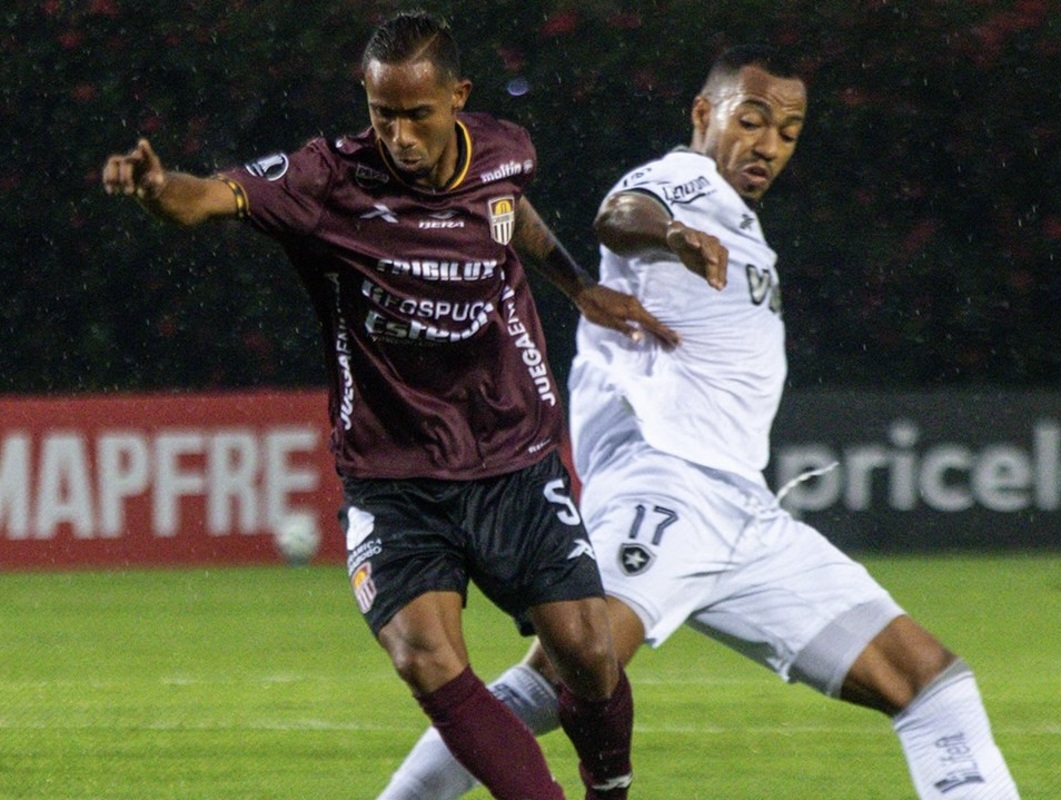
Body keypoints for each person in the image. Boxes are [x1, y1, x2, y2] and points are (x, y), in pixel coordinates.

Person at [379, 44, 1021, 800]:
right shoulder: (687, 181)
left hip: (744, 513)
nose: (768, 145)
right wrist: (674, 236)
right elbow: (620, 217)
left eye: (787, 132)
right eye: (751, 121)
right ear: (702, 113)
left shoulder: (745, 228)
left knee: (931, 684)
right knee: (564, 676)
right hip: (666, 482)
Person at [100, 11, 678, 800]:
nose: (400, 135)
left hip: (510, 450)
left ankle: (610, 788)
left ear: (458, 97)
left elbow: (509, 214)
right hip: (393, 468)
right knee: (424, 657)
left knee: (588, 654)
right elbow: (207, 198)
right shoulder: (326, 180)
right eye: (383, 115)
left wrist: (578, 286)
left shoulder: (505, 150)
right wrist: (157, 189)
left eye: (417, 115)